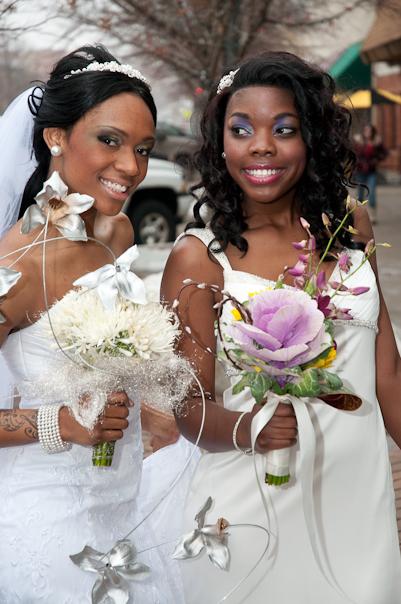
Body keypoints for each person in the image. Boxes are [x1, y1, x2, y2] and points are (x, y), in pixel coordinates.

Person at [161, 52, 401, 603]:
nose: (261, 145)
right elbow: (187, 409)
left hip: (356, 505)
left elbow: (385, 370)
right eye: (241, 129)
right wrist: (249, 430)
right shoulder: (199, 259)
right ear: (221, 144)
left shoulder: (348, 224)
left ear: (311, 138)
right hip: (249, 517)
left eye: (284, 129)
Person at [0, 45, 180, 603]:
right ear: (55, 137)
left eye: (143, 149)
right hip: (44, 520)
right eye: (110, 140)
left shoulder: (117, 234)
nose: (131, 166)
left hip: (121, 507)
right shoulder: (18, 266)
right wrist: (61, 425)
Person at [354, 123, 387, 224]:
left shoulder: (376, 142)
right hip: (360, 171)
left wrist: (376, 160)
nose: (367, 132)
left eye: (369, 131)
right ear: (363, 132)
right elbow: (352, 153)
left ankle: (373, 216)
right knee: (360, 195)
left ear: (372, 132)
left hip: (371, 172)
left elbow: (384, 153)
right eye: (365, 130)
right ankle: (359, 217)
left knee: (372, 193)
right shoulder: (358, 141)